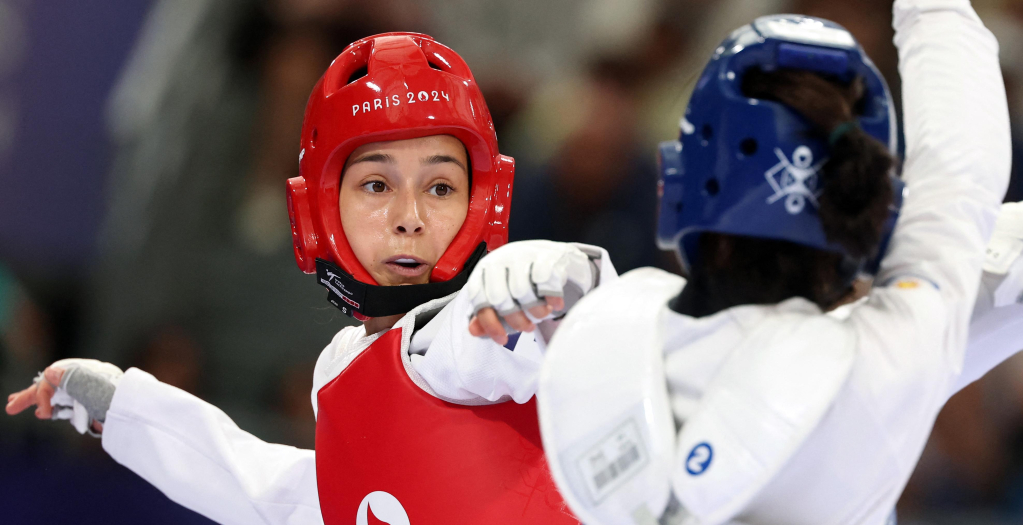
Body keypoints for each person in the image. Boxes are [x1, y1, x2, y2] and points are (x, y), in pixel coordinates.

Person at [535, 5, 1023, 525]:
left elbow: (952, 203)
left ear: (672, 188)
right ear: (871, 217)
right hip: (870, 367)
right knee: (920, 325)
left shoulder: (593, 326)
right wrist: (938, 10)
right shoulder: (882, 360)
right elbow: (957, 187)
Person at [6, 33, 613, 525]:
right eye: (377, 185)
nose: (410, 218)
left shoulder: (465, 338)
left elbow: (551, 334)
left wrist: (557, 280)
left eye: (441, 187)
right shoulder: (344, 369)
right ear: (319, 211)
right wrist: (126, 407)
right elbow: (275, 496)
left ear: (486, 203)